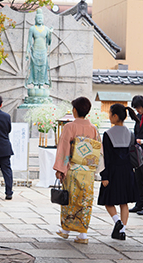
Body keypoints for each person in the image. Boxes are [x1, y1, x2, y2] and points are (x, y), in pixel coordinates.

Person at [54, 97, 101, 244]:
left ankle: (65, 230)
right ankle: (83, 235)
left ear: (74, 110)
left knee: (69, 199)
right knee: (85, 200)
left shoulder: (69, 127)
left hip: (73, 169)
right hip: (87, 171)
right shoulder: (93, 128)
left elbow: (64, 149)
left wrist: (61, 169)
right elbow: (98, 150)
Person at [97, 104, 140, 241]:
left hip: (113, 171)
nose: (109, 116)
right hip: (127, 171)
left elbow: (107, 157)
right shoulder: (130, 133)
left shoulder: (108, 134)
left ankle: (117, 222)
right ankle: (122, 230)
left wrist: (105, 176)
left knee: (108, 200)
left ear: (115, 116)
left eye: (110, 114)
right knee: (124, 202)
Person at [26, 8, 52, 88]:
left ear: (43, 19)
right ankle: (35, 83)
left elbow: (49, 42)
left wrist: (50, 34)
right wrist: (27, 52)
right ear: (35, 19)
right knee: (35, 67)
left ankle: (41, 83)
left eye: (41, 18)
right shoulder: (32, 29)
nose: (40, 20)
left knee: (43, 67)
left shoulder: (46, 29)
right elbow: (29, 41)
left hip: (43, 50)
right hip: (35, 50)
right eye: (38, 18)